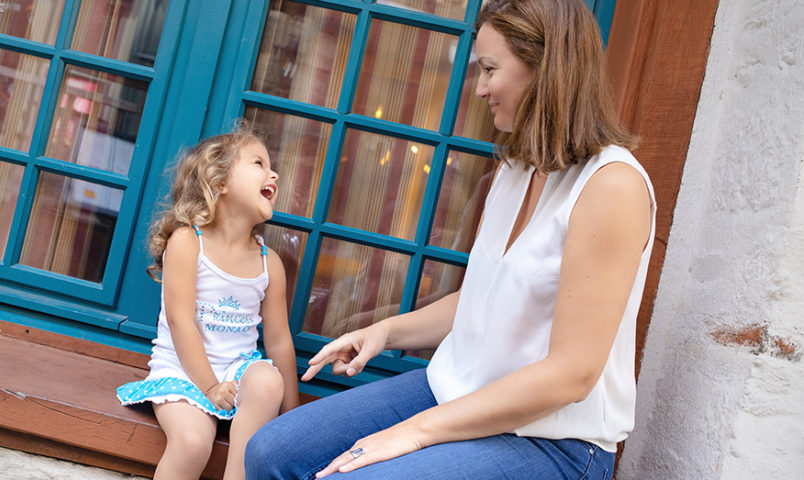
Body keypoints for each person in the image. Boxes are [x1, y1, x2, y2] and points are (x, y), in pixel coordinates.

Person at [244, 0, 655, 478]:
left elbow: (572, 374)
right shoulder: (516, 169)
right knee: (271, 453)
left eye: (489, 69)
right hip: (458, 391)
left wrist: (416, 431)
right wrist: (387, 332)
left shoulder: (612, 186)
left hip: (552, 440)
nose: (479, 88)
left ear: (546, 68)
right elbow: (483, 298)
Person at [116, 123, 299, 480]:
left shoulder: (268, 263)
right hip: (183, 374)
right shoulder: (188, 242)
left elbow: (278, 341)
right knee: (193, 442)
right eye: (258, 163)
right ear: (220, 183)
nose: (273, 172)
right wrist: (210, 387)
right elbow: (180, 321)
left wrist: (292, 412)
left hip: (236, 372)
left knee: (267, 380)